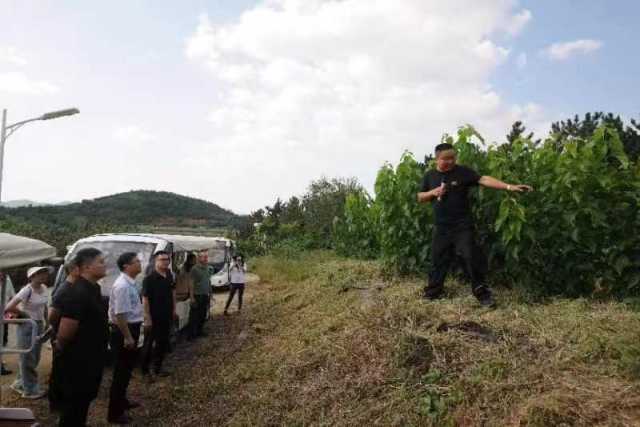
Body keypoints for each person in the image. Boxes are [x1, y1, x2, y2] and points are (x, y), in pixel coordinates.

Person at [417, 142, 533, 307]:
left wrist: (509, 186)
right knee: (438, 259)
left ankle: (483, 294)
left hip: (462, 225)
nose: (450, 161)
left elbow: (483, 179)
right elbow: (420, 197)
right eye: (446, 159)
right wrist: (433, 192)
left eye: (453, 158)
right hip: (441, 227)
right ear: (437, 158)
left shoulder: (462, 172)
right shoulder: (430, 176)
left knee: (470, 256)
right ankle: (433, 293)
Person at [55, 248, 109, 426]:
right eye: (101, 262)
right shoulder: (77, 292)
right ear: (86, 267)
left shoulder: (94, 288)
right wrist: (61, 346)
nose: (105, 265)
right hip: (78, 361)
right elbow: (65, 332)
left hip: (92, 357)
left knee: (83, 403)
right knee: (73, 406)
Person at [107, 252, 143, 424]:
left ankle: (122, 401)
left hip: (130, 328)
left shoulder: (130, 283)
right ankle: (114, 413)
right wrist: (128, 337)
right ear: (126, 266)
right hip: (124, 330)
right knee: (121, 373)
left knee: (127, 371)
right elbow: (120, 315)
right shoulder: (122, 286)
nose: (139, 263)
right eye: (136, 262)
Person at [4, 266, 50, 399]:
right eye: (40, 274)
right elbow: (9, 307)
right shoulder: (27, 290)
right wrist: (25, 314)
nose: (43, 276)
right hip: (27, 325)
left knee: (34, 356)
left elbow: (45, 306)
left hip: (39, 324)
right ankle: (30, 390)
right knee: (27, 357)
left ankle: (20, 383)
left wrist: (46, 321)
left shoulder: (44, 288)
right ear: (32, 277)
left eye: (44, 273)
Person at [47, 258, 80, 414]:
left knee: (66, 368)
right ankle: (55, 402)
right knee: (59, 369)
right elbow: (52, 316)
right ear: (74, 270)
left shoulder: (74, 288)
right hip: (60, 335)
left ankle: (63, 398)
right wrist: (58, 331)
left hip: (67, 336)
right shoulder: (64, 290)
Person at [141, 251, 176, 378]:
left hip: (166, 315)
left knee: (162, 342)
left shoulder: (169, 275)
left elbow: (173, 292)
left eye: (167, 259)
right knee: (149, 344)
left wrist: (174, 310)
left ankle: (158, 368)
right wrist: (147, 317)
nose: (166, 261)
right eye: (162, 259)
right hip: (153, 316)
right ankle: (144, 371)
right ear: (156, 261)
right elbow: (145, 299)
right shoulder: (149, 279)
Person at [189, 251, 210, 339]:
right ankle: (192, 334)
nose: (206, 259)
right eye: (204, 257)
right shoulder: (194, 269)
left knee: (203, 315)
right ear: (199, 258)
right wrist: (192, 297)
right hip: (197, 296)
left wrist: (210, 293)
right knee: (194, 316)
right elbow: (191, 283)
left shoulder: (207, 268)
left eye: (206, 257)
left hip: (205, 295)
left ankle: (200, 331)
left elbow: (207, 281)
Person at [0, 271, 15, 375]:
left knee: (3, 339)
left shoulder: (7, 278)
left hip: (3, 314)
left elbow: (11, 296)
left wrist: (11, 312)